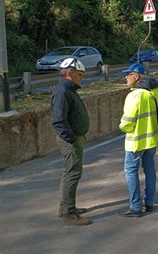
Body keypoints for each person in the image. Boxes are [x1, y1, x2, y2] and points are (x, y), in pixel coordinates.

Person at [119, 63, 158, 217]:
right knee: (150, 170)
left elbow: (127, 123)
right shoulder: (156, 93)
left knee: (131, 171)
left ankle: (135, 207)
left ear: (136, 76)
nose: (125, 77)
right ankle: (149, 202)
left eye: (128, 74)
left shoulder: (135, 95)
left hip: (136, 142)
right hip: (151, 140)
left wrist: (122, 127)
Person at [51, 58, 92, 226]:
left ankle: (66, 207)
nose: (82, 77)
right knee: (73, 173)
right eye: (80, 74)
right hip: (70, 140)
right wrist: (73, 139)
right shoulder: (62, 91)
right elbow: (58, 120)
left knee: (69, 172)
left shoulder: (68, 89)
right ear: (70, 74)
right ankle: (68, 214)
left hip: (73, 138)